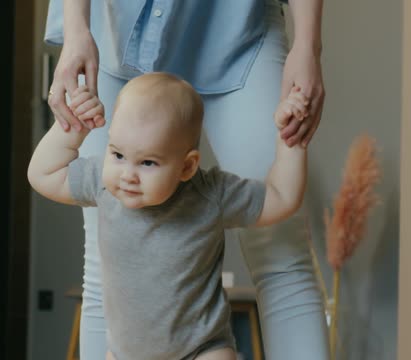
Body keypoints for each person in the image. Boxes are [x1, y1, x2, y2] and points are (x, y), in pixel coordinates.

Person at [44, 0, 328, 359]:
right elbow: (44, 173)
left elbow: (280, 198)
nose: (128, 173)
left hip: (238, 25)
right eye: (118, 156)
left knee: (282, 255)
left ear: (189, 166)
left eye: (145, 163)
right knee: (104, 261)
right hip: (115, 30)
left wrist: (308, 47)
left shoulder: (215, 194)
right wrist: (75, 32)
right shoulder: (101, 179)